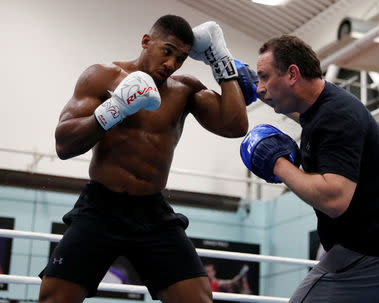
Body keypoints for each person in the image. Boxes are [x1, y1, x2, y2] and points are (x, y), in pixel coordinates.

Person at [38, 15, 251, 303]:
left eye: (181, 58)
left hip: (152, 211)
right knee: (54, 299)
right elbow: (64, 144)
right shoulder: (101, 76)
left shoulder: (184, 90)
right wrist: (114, 109)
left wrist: (221, 60)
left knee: (199, 300)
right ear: (146, 41)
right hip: (101, 207)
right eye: (167, 51)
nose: (171, 64)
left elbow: (235, 125)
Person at [240, 34, 379, 302]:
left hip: (375, 255)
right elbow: (295, 110)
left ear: (292, 74)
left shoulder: (337, 117)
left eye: (264, 77)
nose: (261, 88)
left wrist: (277, 163)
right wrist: (246, 79)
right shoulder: (321, 106)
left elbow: (334, 199)